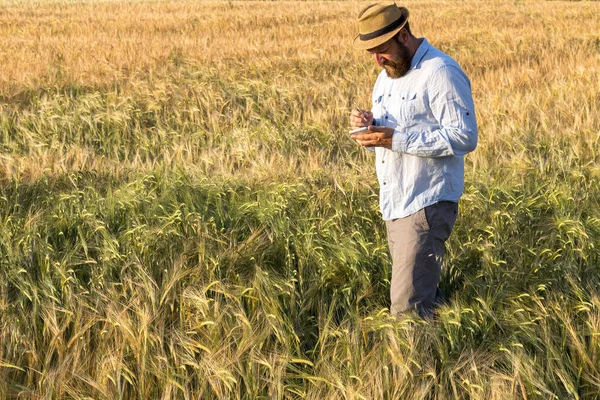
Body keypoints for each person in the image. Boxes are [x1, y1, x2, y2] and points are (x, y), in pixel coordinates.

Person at [349, 2, 478, 318]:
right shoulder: (387, 76)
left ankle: (414, 368)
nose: (378, 60)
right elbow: (387, 142)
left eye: (383, 50)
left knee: (407, 312)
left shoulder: (440, 72)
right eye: (373, 54)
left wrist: (393, 138)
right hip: (396, 204)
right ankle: (441, 364)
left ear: (403, 35)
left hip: (425, 204)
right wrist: (369, 129)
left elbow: (464, 136)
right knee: (424, 303)